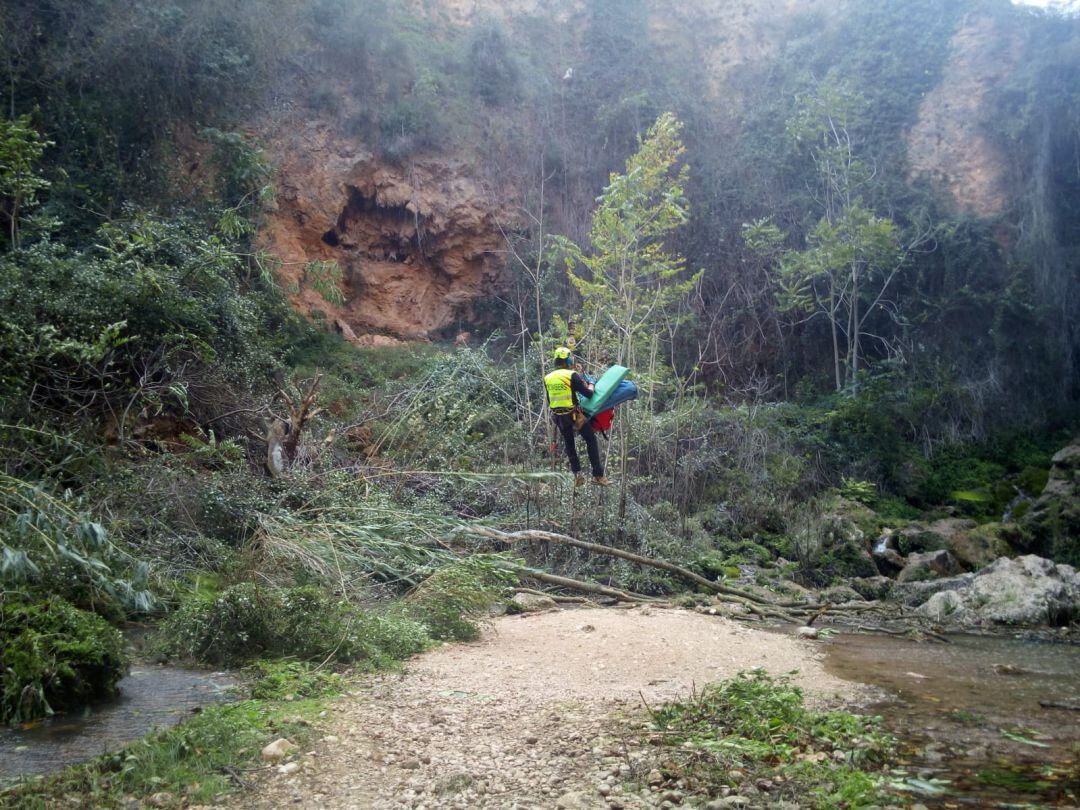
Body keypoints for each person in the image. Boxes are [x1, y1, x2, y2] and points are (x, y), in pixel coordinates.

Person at [544, 347, 610, 487]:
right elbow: (589, 394)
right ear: (568, 360)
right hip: (574, 415)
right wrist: (591, 384)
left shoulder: (548, 378)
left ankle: (577, 475)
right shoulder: (571, 375)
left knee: (569, 444)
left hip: (559, 417)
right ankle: (598, 475)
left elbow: (551, 400)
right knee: (590, 439)